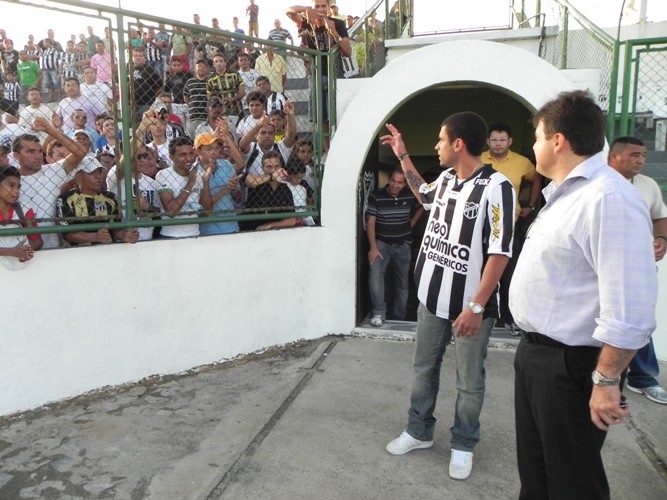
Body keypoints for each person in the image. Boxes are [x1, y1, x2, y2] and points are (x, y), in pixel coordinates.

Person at [509, 91, 657, 499]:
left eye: (537, 137)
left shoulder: (608, 197)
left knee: (573, 483)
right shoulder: (566, 193)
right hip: (538, 357)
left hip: (572, 367)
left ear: (558, 141)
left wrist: (606, 379)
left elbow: (631, 307)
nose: (533, 146)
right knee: (538, 477)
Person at [381, 113, 515, 481]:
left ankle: (463, 444)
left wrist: (476, 305)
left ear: (458, 144)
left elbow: (500, 253)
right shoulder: (445, 179)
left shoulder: (497, 187)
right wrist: (402, 154)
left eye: (441, 140)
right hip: (431, 301)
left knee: (469, 381)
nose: (437, 147)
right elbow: (421, 192)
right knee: (423, 370)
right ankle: (419, 431)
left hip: (471, 309)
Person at [608, 136, 667, 405]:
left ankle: (642, 378)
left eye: (643, 154)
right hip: (605, 266)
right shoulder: (599, 184)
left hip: (638, 267)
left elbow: (660, 216)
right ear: (614, 157)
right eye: (634, 155)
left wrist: (662, 240)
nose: (641, 160)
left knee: (638, 320)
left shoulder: (647, 185)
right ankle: (605, 377)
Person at [481, 121, 541, 336]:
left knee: (508, 276)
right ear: (488, 141)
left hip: (509, 227)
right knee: (480, 273)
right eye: (494, 139)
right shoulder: (479, 160)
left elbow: (536, 180)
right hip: (480, 228)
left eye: (502, 139)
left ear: (510, 141)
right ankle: (479, 315)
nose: (498, 144)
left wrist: (530, 206)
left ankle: (509, 319)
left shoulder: (522, 162)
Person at [286, 0, 351, 151]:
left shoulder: (338, 24)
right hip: (315, 73)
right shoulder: (305, 21)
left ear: (329, 8)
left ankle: (338, 148)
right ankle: (328, 152)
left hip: (333, 74)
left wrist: (334, 33)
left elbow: (348, 51)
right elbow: (288, 11)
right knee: (321, 117)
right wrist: (305, 9)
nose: (320, 9)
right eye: (317, 6)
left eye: (323, 6)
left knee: (334, 114)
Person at [14, 119, 86, 249]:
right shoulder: (10, 181)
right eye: (30, 152)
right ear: (16, 156)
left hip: (53, 248)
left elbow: (80, 152)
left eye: (39, 151)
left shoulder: (53, 170)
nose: (37, 156)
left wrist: (50, 130)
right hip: (21, 249)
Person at [366, 168, 423, 326]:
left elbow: (422, 208)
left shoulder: (410, 194)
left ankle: (399, 318)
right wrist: (373, 247)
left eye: (399, 182)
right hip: (382, 244)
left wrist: (410, 224)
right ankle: (379, 313)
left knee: (402, 284)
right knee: (375, 277)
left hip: (403, 245)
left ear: (405, 184)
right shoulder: (376, 195)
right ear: (388, 179)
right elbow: (370, 223)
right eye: (393, 181)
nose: (395, 185)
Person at [56, 157, 140, 246]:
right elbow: (68, 234)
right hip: (78, 254)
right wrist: (95, 237)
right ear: (79, 176)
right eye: (92, 173)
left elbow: (117, 227)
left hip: (107, 251)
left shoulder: (110, 197)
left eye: (100, 171)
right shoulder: (66, 199)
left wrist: (125, 235)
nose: (98, 176)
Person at [156, 135, 212, 238]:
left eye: (191, 154)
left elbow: (207, 209)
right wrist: (190, 184)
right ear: (171, 157)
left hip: (195, 234)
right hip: (171, 236)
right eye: (183, 155)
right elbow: (171, 211)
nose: (189, 158)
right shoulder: (163, 175)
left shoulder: (198, 175)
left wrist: (205, 182)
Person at [194, 129, 244, 236]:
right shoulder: (193, 171)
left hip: (230, 225)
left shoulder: (226, 164)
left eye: (217, 148)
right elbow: (206, 206)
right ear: (198, 151)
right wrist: (226, 189)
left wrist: (234, 187)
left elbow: (237, 197)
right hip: (207, 229)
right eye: (209, 149)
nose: (214, 152)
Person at [0, 165, 42, 270]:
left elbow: (37, 240)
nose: (16, 191)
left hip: (22, 265)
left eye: (18, 187)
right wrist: (10, 252)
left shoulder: (23, 209)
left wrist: (26, 250)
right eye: (11, 185)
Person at [244, 150, 296, 231]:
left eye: (276, 166)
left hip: (276, 233)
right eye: (269, 167)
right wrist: (272, 177)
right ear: (262, 168)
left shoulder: (285, 189)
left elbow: (292, 220)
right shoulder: (257, 182)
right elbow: (249, 181)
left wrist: (270, 225)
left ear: (281, 167)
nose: (273, 170)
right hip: (253, 233)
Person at [206, 53, 245, 119]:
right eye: (216, 61)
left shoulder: (234, 74)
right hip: (219, 111)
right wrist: (219, 100)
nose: (219, 63)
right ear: (213, 64)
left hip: (236, 109)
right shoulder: (210, 78)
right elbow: (209, 96)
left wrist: (234, 98)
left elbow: (242, 92)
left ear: (225, 63)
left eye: (221, 61)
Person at [183, 59, 210, 138]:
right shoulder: (190, 82)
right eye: (199, 66)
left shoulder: (210, 81)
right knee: (193, 139)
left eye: (203, 66)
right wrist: (193, 105)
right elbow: (186, 98)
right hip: (193, 116)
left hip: (207, 117)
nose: (201, 68)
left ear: (207, 69)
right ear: (195, 68)